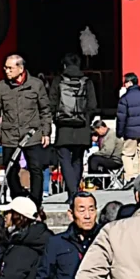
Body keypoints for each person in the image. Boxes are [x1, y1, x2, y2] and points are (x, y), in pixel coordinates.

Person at [0, 54, 56, 203]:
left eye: (10, 68)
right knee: (10, 169)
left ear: (21, 69)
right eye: (5, 68)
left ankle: (35, 201)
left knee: (36, 168)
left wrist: (46, 132)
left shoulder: (36, 85)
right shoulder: (1, 87)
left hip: (32, 134)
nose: (6, 71)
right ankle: (18, 197)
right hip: (9, 135)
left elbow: (45, 110)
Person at [49, 53, 98, 201]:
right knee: (77, 160)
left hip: (63, 127)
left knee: (64, 160)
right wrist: (86, 119)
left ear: (64, 65)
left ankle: (72, 194)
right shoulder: (87, 81)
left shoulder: (58, 81)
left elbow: (52, 103)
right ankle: (75, 193)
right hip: (82, 126)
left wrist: (56, 119)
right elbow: (93, 106)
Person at [113, 71, 140, 179]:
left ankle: (130, 177)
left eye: (125, 82)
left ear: (129, 83)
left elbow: (121, 117)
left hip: (130, 132)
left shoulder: (124, 98)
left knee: (127, 155)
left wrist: (120, 132)